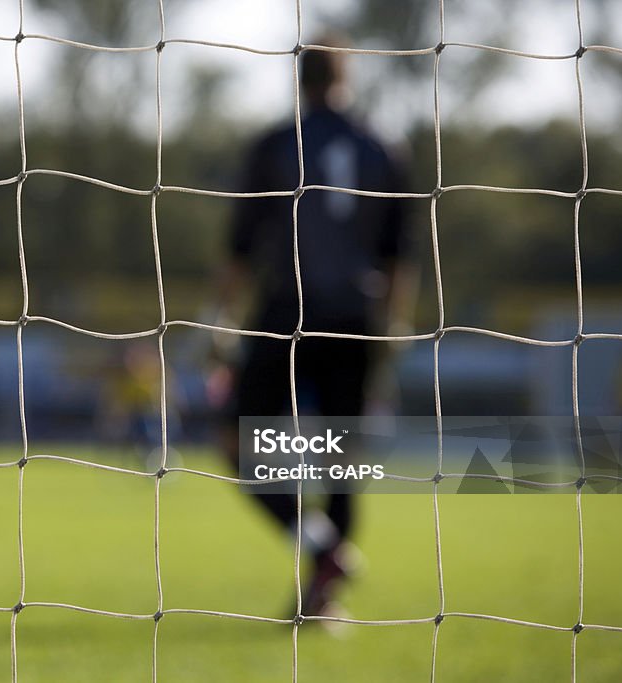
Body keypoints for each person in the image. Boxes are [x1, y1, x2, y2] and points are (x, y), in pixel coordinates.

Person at [219, 38, 416, 617]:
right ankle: (328, 573)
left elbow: (239, 246)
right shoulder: (385, 146)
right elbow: (399, 253)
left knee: (235, 439)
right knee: (341, 463)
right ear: (346, 77)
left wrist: (219, 318)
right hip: (358, 318)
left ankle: (321, 558)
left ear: (300, 80)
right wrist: (396, 322)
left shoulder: (276, 144)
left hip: (286, 311)